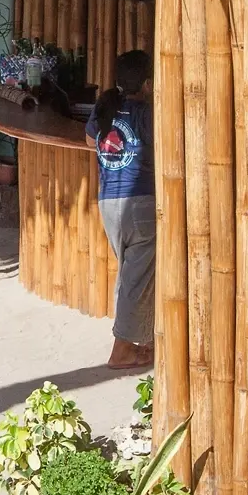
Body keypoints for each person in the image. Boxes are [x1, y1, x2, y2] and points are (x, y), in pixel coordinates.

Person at [89, 49, 155, 370]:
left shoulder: (105, 107)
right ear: (147, 83)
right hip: (140, 204)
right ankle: (122, 351)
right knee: (136, 278)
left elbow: (90, 141)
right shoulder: (147, 114)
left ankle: (141, 340)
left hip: (108, 204)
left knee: (130, 274)